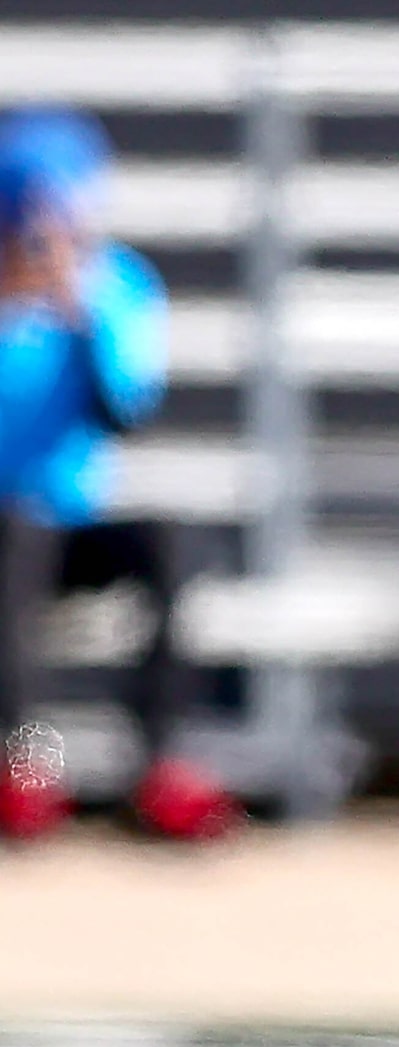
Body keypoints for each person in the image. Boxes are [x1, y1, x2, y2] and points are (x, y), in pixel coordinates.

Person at [0, 108, 239, 842]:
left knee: (172, 548)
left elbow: (124, 412)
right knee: (16, 544)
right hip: (9, 530)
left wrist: (78, 312)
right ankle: (25, 771)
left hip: (72, 522)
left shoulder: (118, 286)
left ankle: (162, 767)